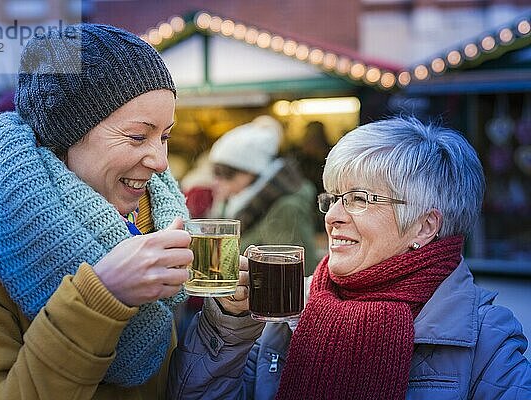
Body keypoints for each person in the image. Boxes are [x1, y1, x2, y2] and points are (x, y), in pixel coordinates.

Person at [168, 116, 531, 399]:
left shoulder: (486, 339)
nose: (332, 216)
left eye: (359, 199)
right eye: (333, 198)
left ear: (424, 226)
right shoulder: (290, 306)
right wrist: (230, 324)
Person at [0, 23, 194, 399]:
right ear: (64, 134)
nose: (161, 162)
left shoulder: (155, 212)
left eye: (165, 136)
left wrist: (226, 328)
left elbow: (163, 382)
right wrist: (100, 296)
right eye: (138, 136)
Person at [208, 115, 318, 275]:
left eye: (226, 173)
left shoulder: (286, 207)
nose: (217, 181)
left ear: (251, 171)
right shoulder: (235, 203)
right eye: (215, 172)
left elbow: (297, 274)